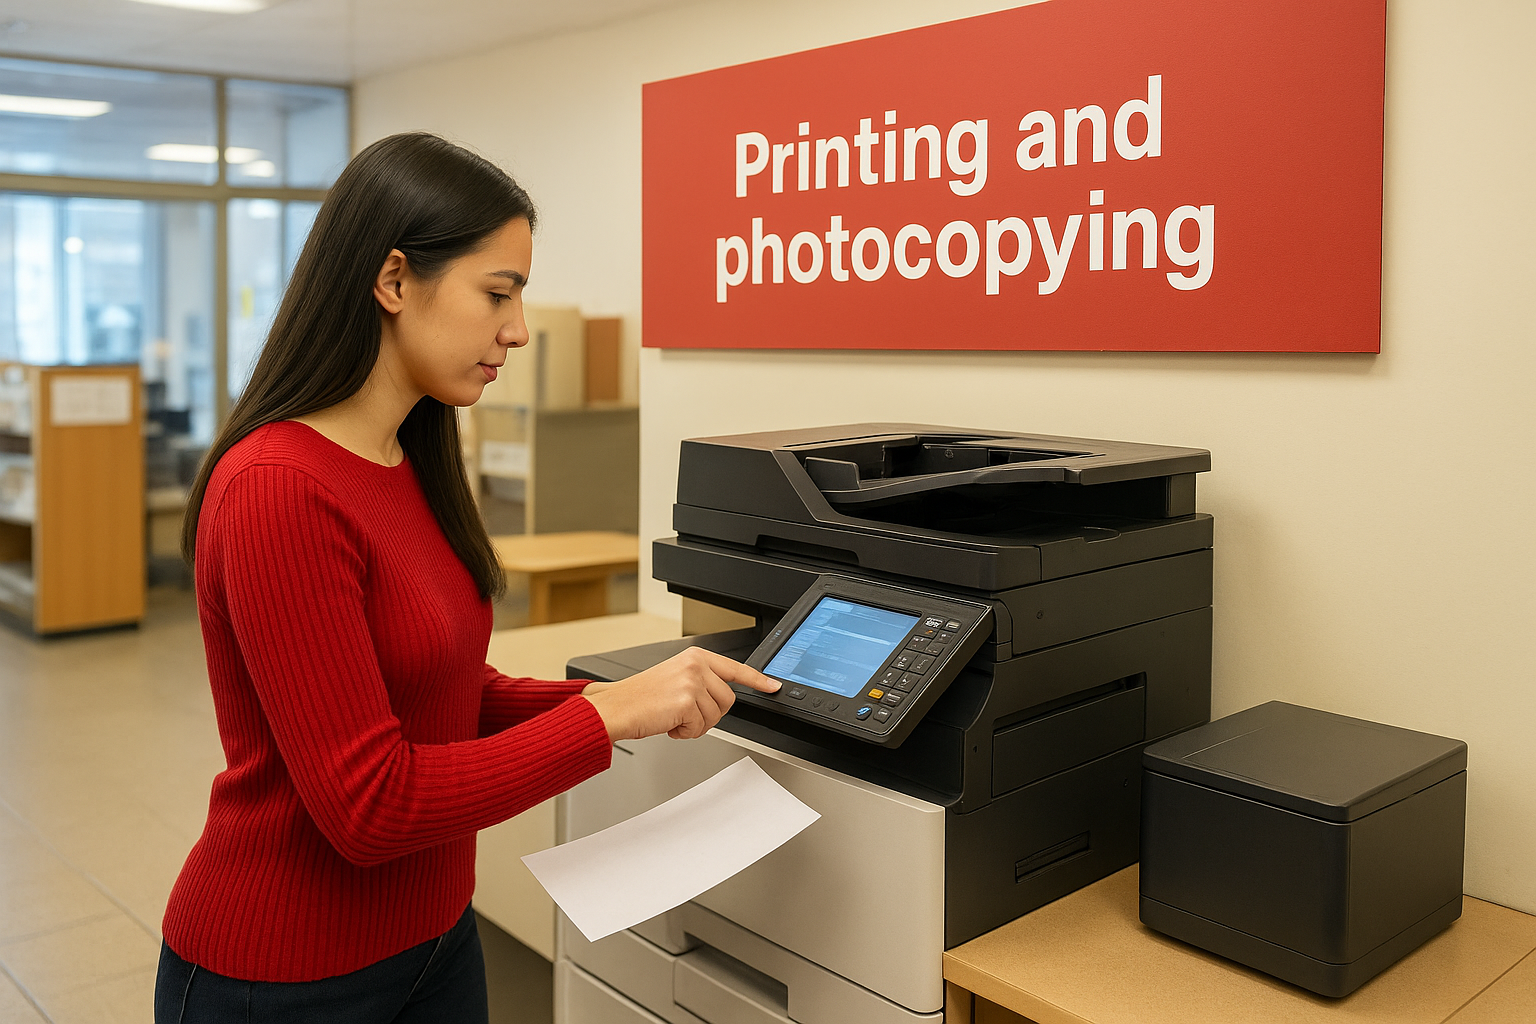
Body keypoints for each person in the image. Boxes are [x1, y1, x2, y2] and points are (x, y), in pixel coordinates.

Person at [153, 132, 779, 1023]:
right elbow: (370, 805)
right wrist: (604, 718)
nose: (517, 330)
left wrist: (625, 697)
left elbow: (443, 688)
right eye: (499, 293)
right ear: (395, 280)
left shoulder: (406, 456)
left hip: (435, 939)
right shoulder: (277, 489)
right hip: (288, 974)